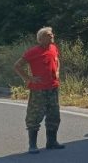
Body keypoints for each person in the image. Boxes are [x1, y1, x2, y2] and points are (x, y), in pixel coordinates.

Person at [14, 26, 65, 154]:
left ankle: (51, 142)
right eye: (49, 34)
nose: (52, 35)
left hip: (53, 87)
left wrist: (57, 71)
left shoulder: (53, 48)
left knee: (54, 115)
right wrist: (28, 78)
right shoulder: (33, 52)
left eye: (52, 34)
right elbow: (17, 65)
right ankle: (33, 145)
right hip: (39, 90)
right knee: (34, 116)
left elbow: (57, 60)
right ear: (41, 38)